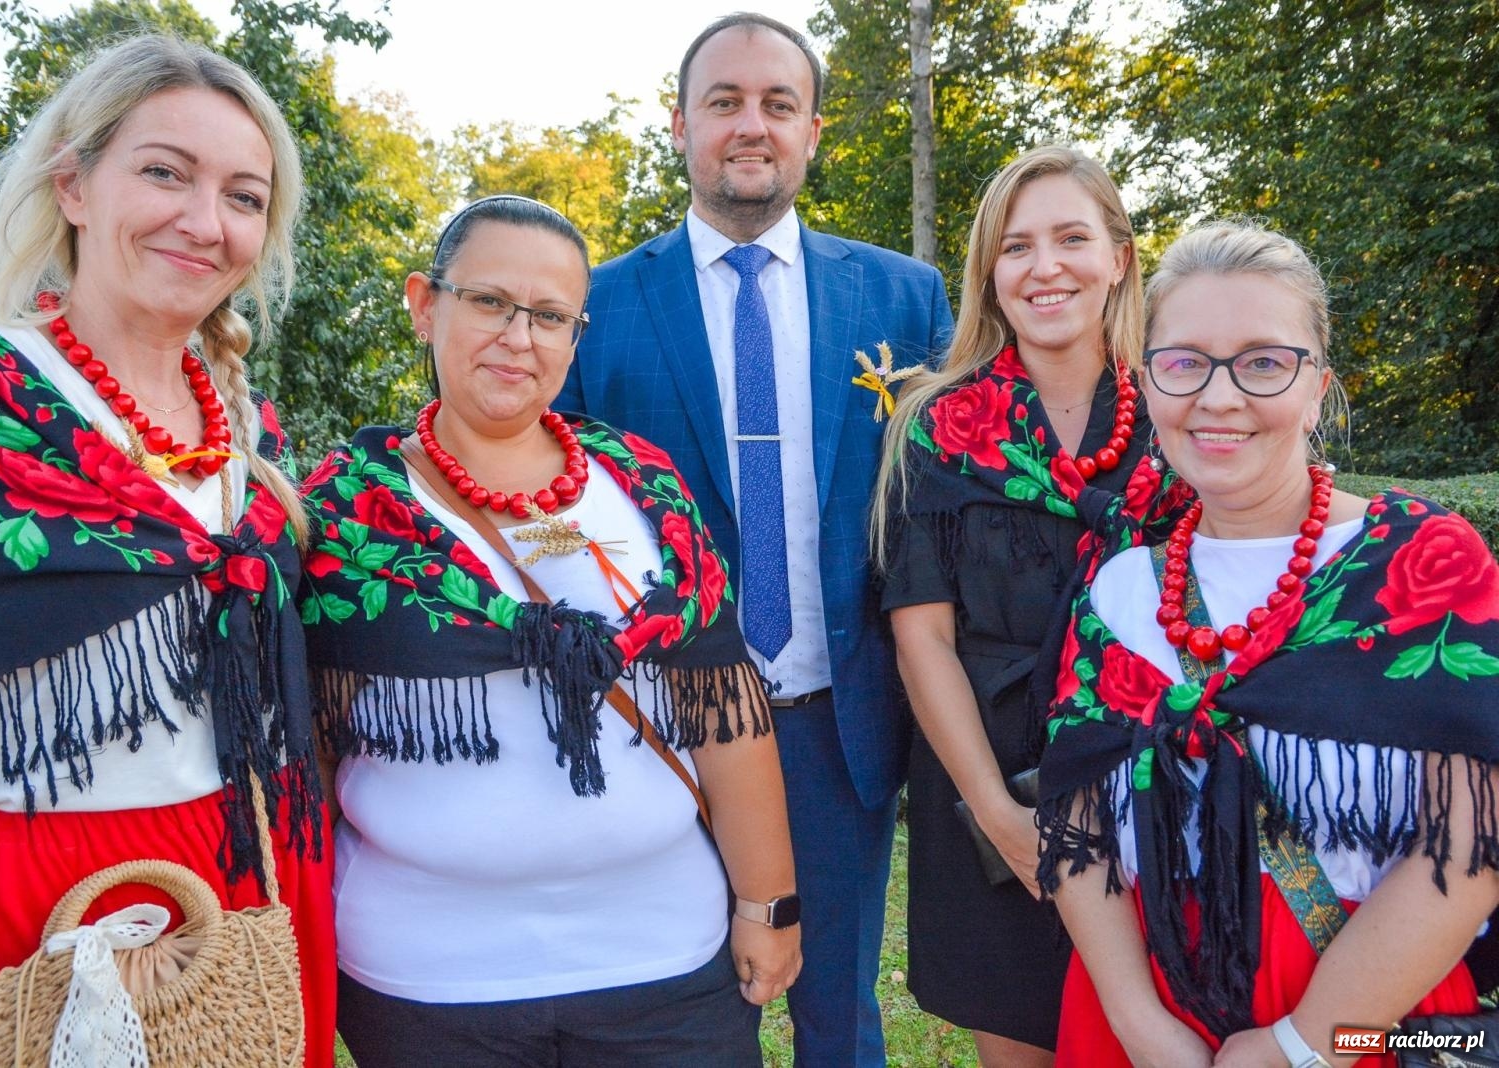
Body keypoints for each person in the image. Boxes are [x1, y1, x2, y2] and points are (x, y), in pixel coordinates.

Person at [0, 33, 333, 1066]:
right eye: (163, 173)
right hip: (27, 894)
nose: (205, 222)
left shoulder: (248, 429)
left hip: (249, 878)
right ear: (74, 187)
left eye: (243, 196)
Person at [301, 194, 800, 1068]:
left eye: (550, 316)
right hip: (430, 981)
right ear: (426, 304)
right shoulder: (344, 510)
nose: (517, 336)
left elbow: (726, 709)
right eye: (489, 301)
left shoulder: (646, 486)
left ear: (576, 336)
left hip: (664, 965)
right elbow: (308, 738)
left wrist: (769, 904)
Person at [555, 15, 952, 1062]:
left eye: (778, 104)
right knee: (678, 1025)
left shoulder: (904, 301)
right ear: (678, 123)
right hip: (663, 735)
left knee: (838, 1020)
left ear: (813, 130)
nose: (751, 124)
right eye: (724, 101)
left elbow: (946, 504)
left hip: (837, 728)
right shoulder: (593, 309)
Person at [1037, 218, 1499, 1066]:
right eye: (1184, 363)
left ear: (1318, 384)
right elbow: (1076, 835)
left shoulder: (1423, 564)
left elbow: (1469, 851)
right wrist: (1142, 1030)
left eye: (1263, 361)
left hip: (1377, 1020)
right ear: (1151, 381)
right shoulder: (1116, 590)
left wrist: (1298, 1048)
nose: (1219, 398)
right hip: (1142, 1019)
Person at [873, 144, 1170, 1064]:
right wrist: (1000, 820)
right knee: (1024, 1043)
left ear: (1118, 256)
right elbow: (924, 643)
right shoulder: (936, 425)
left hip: (1155, 785)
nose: (1045, 267)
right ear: (990, 276)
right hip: (993, 793)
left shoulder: (1185, 409)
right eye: (1016, 247)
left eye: (1071, 238)